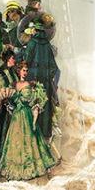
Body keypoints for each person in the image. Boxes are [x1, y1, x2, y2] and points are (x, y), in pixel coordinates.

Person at [0, 58, 57, 181]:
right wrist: (8, 105)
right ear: (19, 71)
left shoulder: (28, 84)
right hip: (17, 116)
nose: (25, 73)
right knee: (16, 140)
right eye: (23, 70)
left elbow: (33, 102)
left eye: (26, 71)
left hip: (27, 114)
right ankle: (17, 168)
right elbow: (10, 99)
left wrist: (35, 110)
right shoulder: (14, 85)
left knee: (30, 140)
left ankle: (31, 167)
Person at [20, 11, 60, 140]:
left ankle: (34, 137)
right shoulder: (47, 45)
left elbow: (26, 61)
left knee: (33, 106)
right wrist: (48, 77)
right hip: (46, 82)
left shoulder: (32, 43)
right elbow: (54, 67)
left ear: (35, 30)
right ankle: (46, 135)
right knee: (46, 108)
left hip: (33, 80)